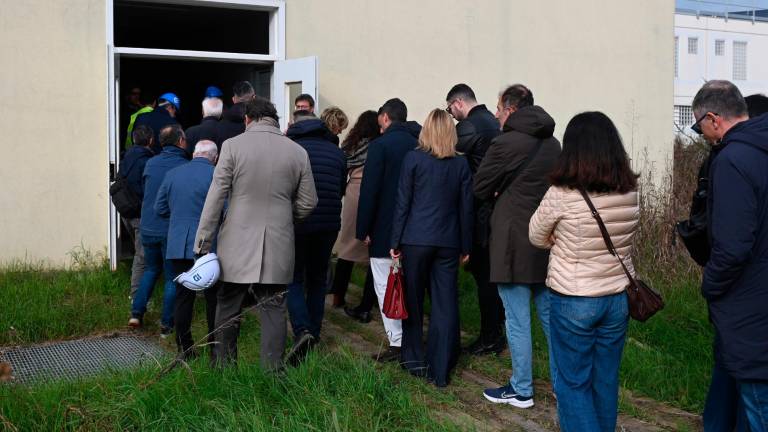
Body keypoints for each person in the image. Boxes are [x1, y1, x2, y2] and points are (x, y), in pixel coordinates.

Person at [528, 111, 639, 431]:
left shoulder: (562, 193)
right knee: (605, 382)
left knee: (572, 384)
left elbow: (536, 235)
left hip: (574, 296)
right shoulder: (629, 190)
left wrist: (560, 239)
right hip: (617, 296)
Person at [194, 97, 317, 370]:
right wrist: (285, 219)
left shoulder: (232, 147)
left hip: (235, 243)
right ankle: (271, 373)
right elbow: (309, 202)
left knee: (227, 306)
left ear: (247, 119)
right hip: (279, 241)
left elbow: (216, 196)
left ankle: (225, 369)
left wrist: (203, 241)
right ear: (274, 118)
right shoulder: (297, 151)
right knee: (274, 308)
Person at [474, 84, 560, 408]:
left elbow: (480, 186)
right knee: (551, 319)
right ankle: (562, 385)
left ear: (510, 109)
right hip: (546, 238)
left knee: (517, 318)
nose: (495, 113)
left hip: (511, 242)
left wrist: (498, 192)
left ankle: (521, 389)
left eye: (498, 107)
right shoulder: (554, 144)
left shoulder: (504, 143)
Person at [693, 80, 768, 432]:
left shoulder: (732, 159)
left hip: (750, 303)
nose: (703, 135)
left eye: (700, 126)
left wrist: (710, 284)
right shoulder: (760, 147)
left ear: (713, 119)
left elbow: (733, 246)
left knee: (759, 408)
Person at [390, 109, 473, 387]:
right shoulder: (461, 164)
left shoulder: (413, 159)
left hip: (415, 239)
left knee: (412, 301)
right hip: (448, 242)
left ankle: (413, 360)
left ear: (425, 130)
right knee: (445, 304)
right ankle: (441, 368)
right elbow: (466, 208)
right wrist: (466, 244)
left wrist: (395, 241)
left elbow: (402, 202)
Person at [356, 98, 420, 362]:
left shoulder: (380, 146)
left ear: (384, 117)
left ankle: (397, 340)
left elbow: (370, 190)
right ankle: (412, 335)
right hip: (416, 228)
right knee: (410, 282)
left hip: (384, 226)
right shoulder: (419, 143)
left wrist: (363, 228)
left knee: (385, 283)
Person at [445, 83, 505, 355]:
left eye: (450, 109)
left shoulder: (468, 127)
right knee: (492, 276)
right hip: (498, 206)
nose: (451, 115)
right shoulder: (493, 122)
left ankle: (490, 337)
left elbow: (447, 160)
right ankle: (496, 332)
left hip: (480, 210)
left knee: (484, 277)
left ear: (458, 103)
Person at [284, 110, 346, 363]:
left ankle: (302, 330)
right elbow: (341, 188)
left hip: (298, 222)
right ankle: (315, 333)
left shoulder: (290, 149)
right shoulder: (337, 152)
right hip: (329, 224)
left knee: (294, 277)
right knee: (319, 279)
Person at [154, 140, 219, 360]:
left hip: (178, 243)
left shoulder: (173, 174)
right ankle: (214, 346)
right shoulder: (216, 175)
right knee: (213, 297)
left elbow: (159, 208)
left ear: (193, 154)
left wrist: (179, 221)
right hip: (208, 245)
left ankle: (185, 347)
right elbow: (226, 210)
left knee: (184, 296)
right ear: (215, 157)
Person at [129, 124, 189, 337]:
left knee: (151, 270)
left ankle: (136, 313)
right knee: (173, 276)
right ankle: (166, 324)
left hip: (147, 226)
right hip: (168, 230)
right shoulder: (184, 166)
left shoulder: (150, 163)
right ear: (180, 141)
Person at [331, 111, 380, 317]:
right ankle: (371, 299)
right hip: (375, 193)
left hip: (353, 194)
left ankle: (338, 296)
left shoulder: (350, 146)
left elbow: (342, 170)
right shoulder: (379, 146)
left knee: (347, 246)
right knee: (375, 251)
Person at [118, 125, 155, 300]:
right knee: (142, 257)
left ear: (133, 140)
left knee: (139, 252)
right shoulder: (147, 161)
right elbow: (146, 189)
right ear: (151, 140)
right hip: (139, 213)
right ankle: (136, 297)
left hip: (126, 211)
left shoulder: (126, 158)